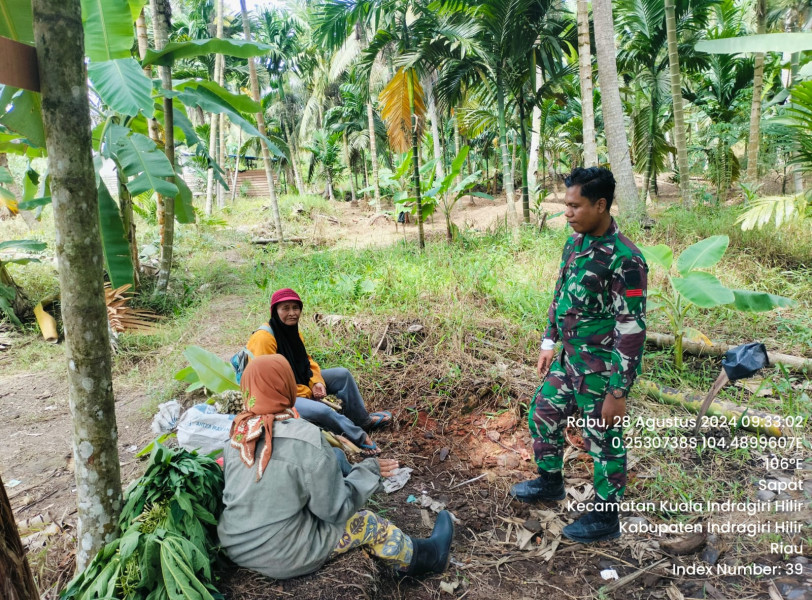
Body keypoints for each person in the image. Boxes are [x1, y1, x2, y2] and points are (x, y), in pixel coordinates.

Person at [217, 354, 454, 579]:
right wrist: (367, 471)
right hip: (281, 555)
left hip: (235, 546)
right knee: (367, 523)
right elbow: (335, 510)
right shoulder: (305, 437)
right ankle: (429, 557)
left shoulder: (236, 437)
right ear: (287, 386)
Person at [510, 167, 647, 544]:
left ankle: (605, 517)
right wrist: (548, 341)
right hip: (569, 360)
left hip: (600, 370)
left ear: (601, 205)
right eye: (565, 205)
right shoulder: (576, 243)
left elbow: (631, 329)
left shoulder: (626, 259)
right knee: (543, 414)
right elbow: (561, 293)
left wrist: (617, 392)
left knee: (604, 441)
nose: (567, 213)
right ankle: (550, 482)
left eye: (575, 206)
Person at [245, 287, 392, 456]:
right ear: (275, 311)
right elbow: (270, 382)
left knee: (342, 375)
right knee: (322, 411)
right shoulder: (264, 338)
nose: (292, 313)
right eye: (285, 308)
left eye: (295, 308)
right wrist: (307, 391)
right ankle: (360, 437)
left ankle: (362, 420)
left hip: (297, 385)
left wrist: (317, 382)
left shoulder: (291, 331)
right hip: (277, 397)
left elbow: (306, 361)